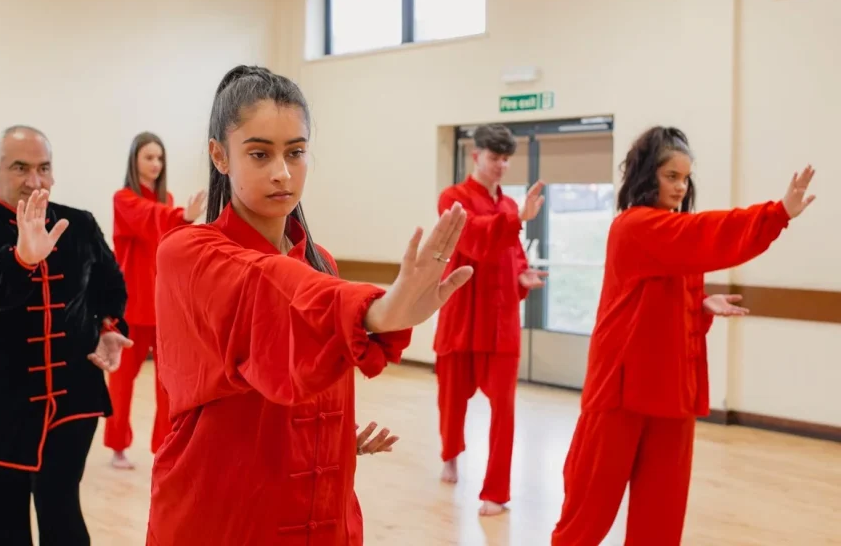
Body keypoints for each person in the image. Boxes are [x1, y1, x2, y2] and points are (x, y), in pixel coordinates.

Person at [146, 65, 474, 546]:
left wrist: (331, 439)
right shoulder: (186, 253)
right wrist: (379, 311)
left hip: (319, 509)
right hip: (223, 514)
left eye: (296, 153)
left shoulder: (322, 264)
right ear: (220, 155)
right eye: (259, 153)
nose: (282, 173)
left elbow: (294, 365)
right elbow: (268, 288)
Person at [550, 127, 816, 546]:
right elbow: (706, 236)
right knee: (586, 516)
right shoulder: (634, 226)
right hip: (620, 393)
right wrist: (775, 213)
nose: (680, 186)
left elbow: (666, 283)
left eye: (685, 178)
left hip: (669, 391)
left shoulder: (669, 229)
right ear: (646, 176)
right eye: (671, 176)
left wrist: (699, 304)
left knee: (661, 518)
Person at [0, 125, 132, 546]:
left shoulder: (78, 224)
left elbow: (111, 286)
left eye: (43, 168)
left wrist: (109, 328)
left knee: (61, 511)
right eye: (20, 168)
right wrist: (23, 258)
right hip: (4, 408)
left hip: (74, 401)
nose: (34, 181)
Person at [432, 123, 547, 516]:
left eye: (505, 159)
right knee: (450, 404)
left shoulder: (512, 207)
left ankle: (496, 493)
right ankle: (450, 453)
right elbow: (475, 240)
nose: (501, 165)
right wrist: (518, 221)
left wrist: (523, 275)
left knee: (505, 412)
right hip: (461, 320)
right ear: (475, 155)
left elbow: (513, 254)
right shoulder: (453, 199)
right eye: (494, 157)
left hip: (501, 326)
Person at [105, 131, 206, 470]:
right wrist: (182, 217)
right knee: (121, 383)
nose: (155, 164)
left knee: (168, 383)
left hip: (164, 306)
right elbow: (149, 219)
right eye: (148, 157)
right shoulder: (124, 199)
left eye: (159, 158)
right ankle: (117, 445)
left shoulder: (169, 202)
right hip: (131, 305)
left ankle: (165, 446)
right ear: (134, 160)